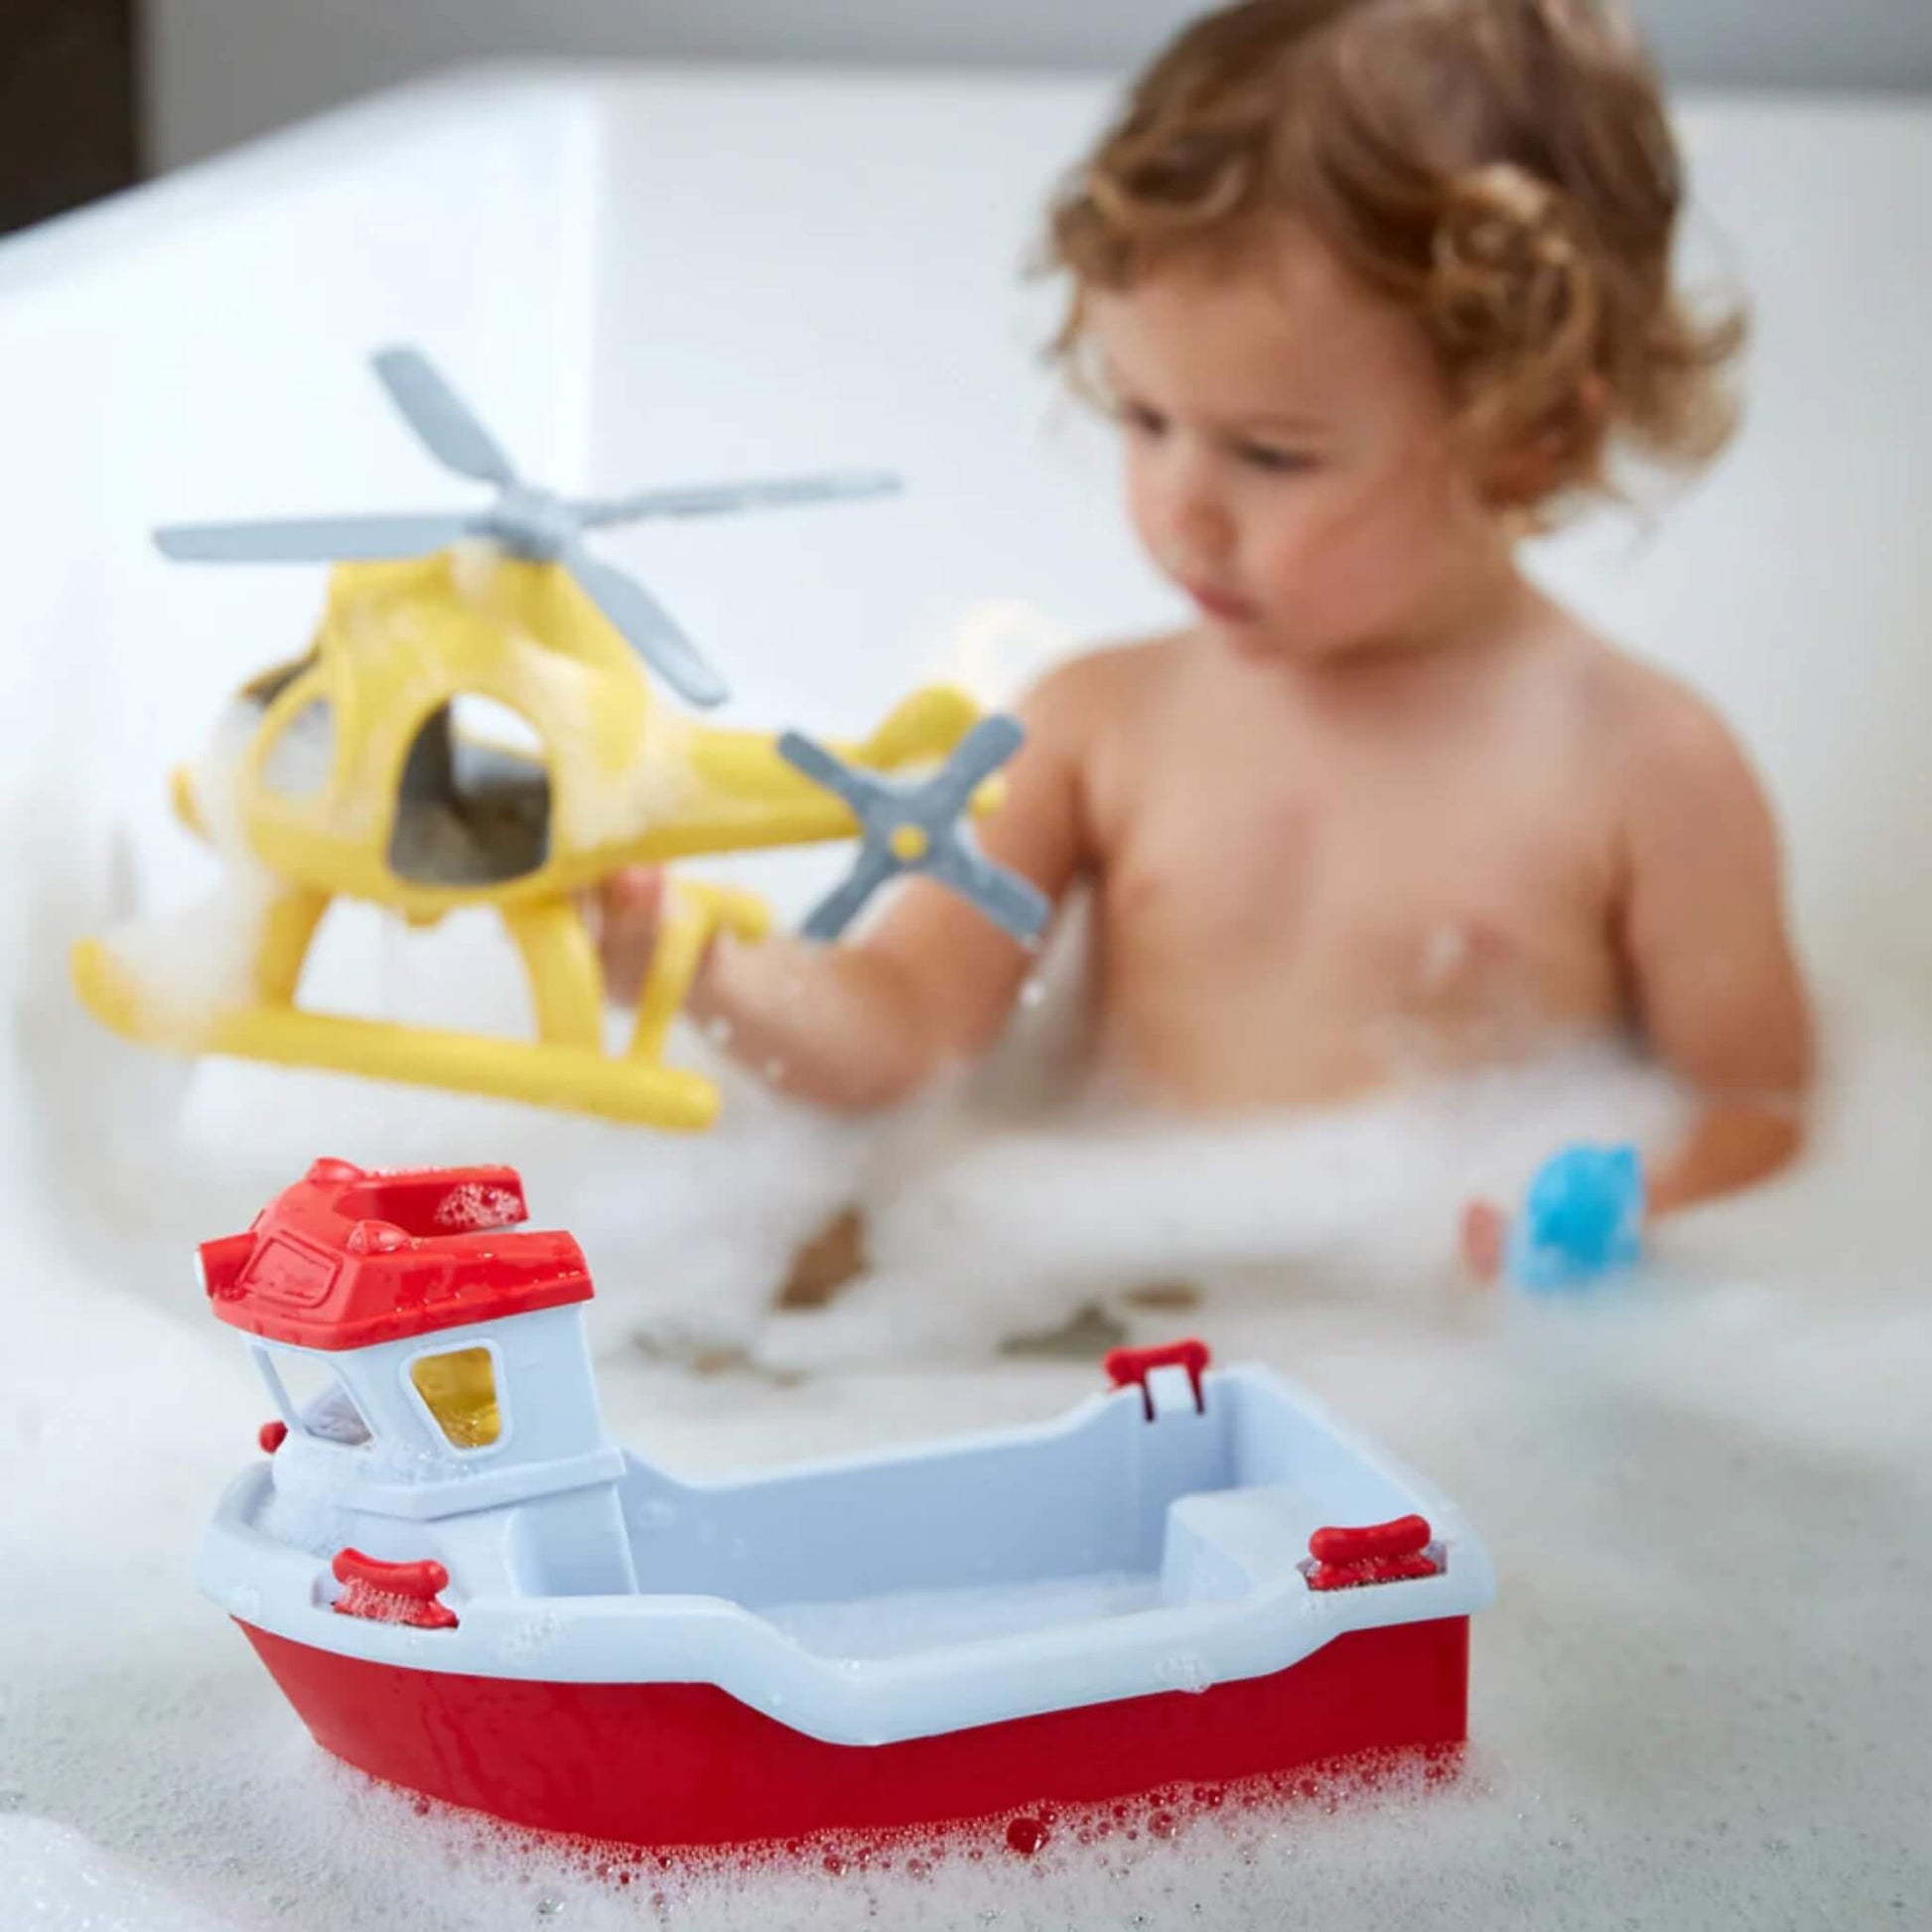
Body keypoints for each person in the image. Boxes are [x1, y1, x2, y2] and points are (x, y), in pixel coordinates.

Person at [601, 0, 1812, 1282]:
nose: (1177, 504)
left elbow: (1759, 1114)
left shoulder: (1644, 768)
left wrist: (1602, 1220)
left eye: (1268, 453)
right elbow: (906, 1027)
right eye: (1142, 418)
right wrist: (705, 967)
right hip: (1073, 1294)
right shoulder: (1094, 722)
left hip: (1427, 1348)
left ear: (1529, 438)